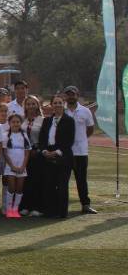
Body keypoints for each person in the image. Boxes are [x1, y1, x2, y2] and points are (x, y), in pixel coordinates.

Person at [36, 95, 75, 218]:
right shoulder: (47, 120)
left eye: (60, 103)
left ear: (63, 104)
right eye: (55, 103)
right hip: (48, 154)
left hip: (63, 156)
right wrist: (44, 151)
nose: (57, 105)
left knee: (62, 185)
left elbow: (69, 140)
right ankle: (50, 211)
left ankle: (62, 212)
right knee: (49, 184)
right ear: (52, 105)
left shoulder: (69, 120)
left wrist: (57, 152)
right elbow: (42, 139)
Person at [63, 85, 97, 214]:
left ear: (77, 95)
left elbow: (90, 129)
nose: (71, 96)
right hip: (66, 151)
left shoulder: (85, 111)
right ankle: (62, 205)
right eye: (68, 94)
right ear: (65, 96)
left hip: (81, 151)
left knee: (81, 179)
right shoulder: (62, 111)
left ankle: (85, 205)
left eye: (73, 94)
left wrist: (81, 139)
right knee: (63, 179)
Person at [3, 114, 31, 219]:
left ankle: (15, 209)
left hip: (21, 167)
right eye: (13, 122)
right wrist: (12, 166)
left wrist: (23, 166)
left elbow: (27, 152)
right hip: (10, 167)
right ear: (9, 123)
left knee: (19, 189)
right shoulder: (6, 135)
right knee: (11, 188)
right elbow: (5, 153)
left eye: (17, 122)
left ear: (21, 123)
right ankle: (9, 209)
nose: (15, 124)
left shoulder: (24, 135)